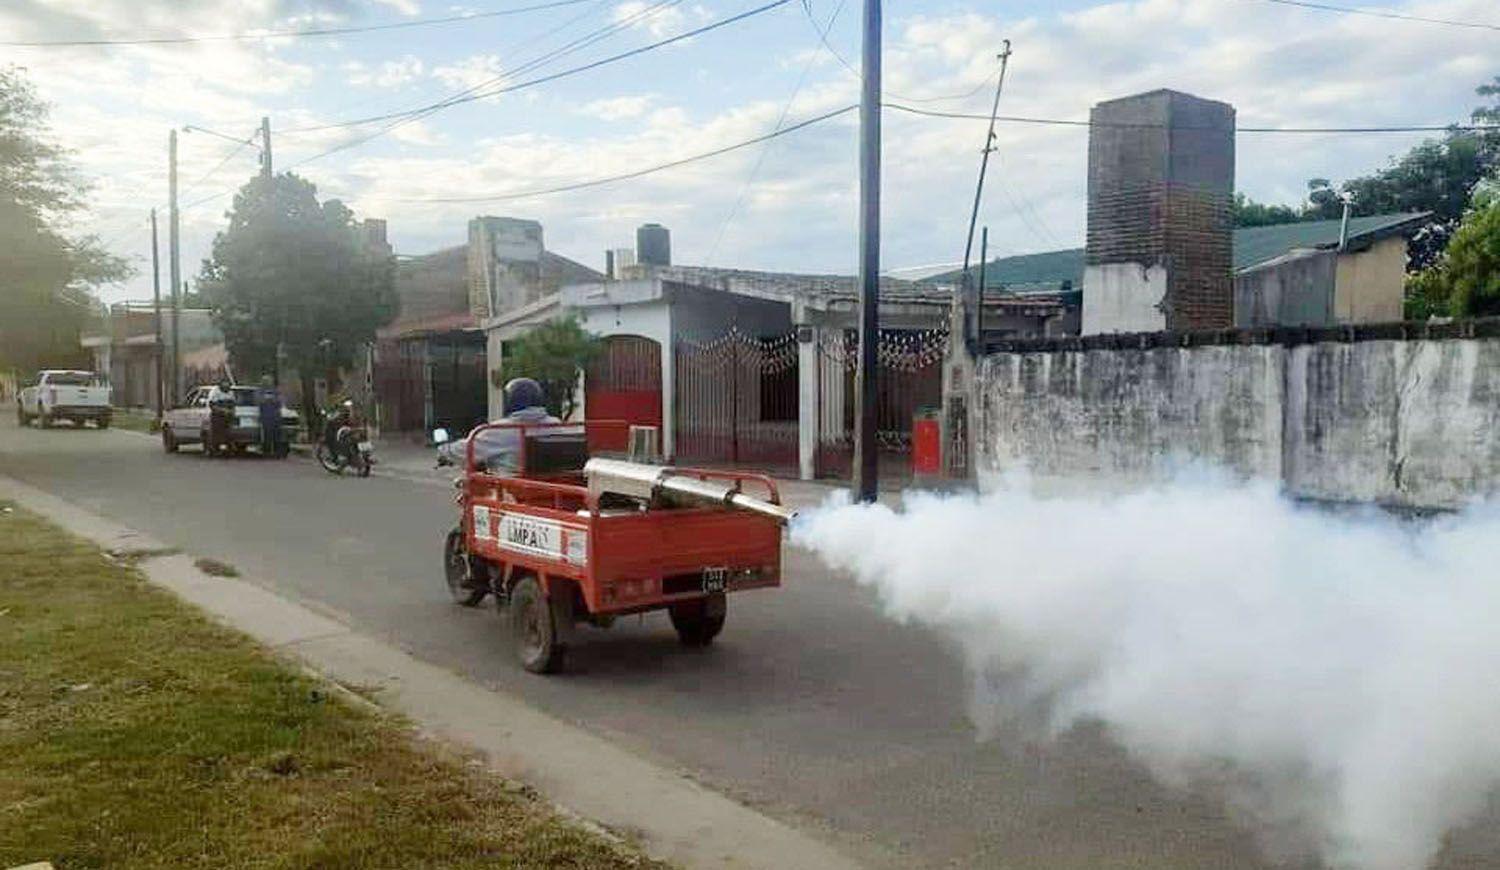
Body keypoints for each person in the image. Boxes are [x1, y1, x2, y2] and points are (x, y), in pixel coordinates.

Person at [465, 378, 561, 473]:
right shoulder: (559, 425)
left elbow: (461, 451)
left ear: (508, 400)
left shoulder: (500, 429)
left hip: (507, 485)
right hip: (557, 484)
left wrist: (449, 449)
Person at [206, 377, 235, 457]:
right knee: (215, 434)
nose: (226, 385)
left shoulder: (230, 392)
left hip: (227, 417)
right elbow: (212, 405)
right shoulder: (215, 391)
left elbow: (232, 404)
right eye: (224, 383)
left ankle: (229, 450)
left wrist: (231, 411)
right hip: (217, 416)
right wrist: (222, 410)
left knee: (228, 434)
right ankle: (213, 450)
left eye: (227, 384)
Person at [256, 377, 284, 457]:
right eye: (265, 381)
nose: (267, 382)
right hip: (265, 416)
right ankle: (266, 451)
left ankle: (277, 452)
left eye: (268, 381)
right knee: (267, 435)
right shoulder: (260, 391)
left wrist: (270, 399)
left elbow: (279, 401)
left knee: (277, 435)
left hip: (276, 415)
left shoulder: (276, 391)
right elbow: (258, 401)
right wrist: (268, 399)